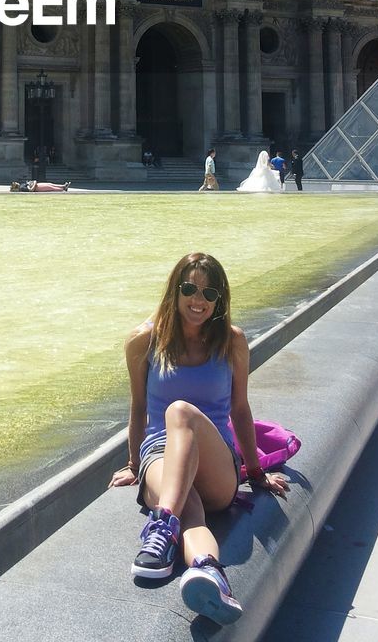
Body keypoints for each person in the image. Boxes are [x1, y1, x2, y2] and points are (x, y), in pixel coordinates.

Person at [109, 252, 289, 625]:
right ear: (174, 292)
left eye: (210, 294)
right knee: (190, 512)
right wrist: (132, 465)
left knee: (180, 411)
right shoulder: (144, 342)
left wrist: (254, 473)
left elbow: (240, 409)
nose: (199, 301)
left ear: (220, 300)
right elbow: (138, 406)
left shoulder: (232, 342)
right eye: (190, 289)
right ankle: (208, 570)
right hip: (160, 454)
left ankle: (161, 526)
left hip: (216, 462)